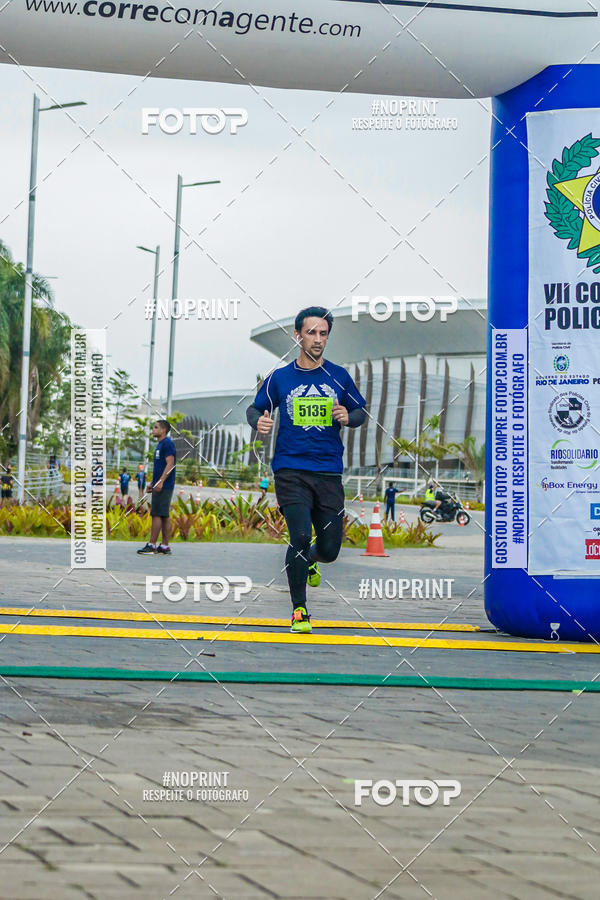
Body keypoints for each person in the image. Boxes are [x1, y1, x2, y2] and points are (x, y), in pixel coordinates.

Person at [246, 306, 366, 634]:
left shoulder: (339, 376)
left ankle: (311, 560)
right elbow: (254, 408)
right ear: (298, 335)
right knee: (299, 536)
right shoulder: (280, 378)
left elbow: (360, 412)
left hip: (328, 471)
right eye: (311, 332)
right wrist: (259, 421)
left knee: (329, 550)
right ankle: (299, 610)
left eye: (323, 333)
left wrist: (348, 417)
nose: (317, 339)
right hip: (290, 470)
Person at [137, 420, 176, 555]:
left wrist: (161, 482)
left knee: (157, 514)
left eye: (156, 427)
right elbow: (160, 467)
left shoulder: (167, 443)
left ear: (163, 430)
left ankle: (151, 545)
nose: (153, 430)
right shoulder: (160, 445)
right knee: (164, 515)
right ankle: (164, 546)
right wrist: (153, 484)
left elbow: (170, 464)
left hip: (165, 485)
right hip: (160, 485)